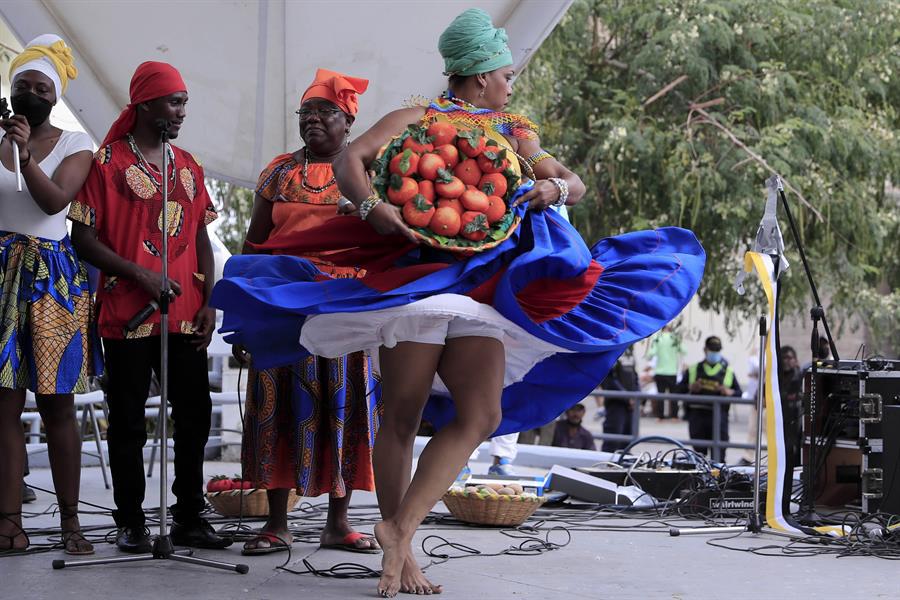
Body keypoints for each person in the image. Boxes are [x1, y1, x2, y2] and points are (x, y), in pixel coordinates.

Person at [211, 9, 705, 596]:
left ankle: (399, 529)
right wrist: (373, 208)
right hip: (420, 284)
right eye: (506, 74)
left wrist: (551, 187)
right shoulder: (416, 120)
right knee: (401, 415)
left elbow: (571, 182)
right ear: (479, 75)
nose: (511, 84)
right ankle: (402, 552)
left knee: (482, 415)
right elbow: (350, 161)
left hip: (487, 293)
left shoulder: (514, 131)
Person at [69, 61, 229, 553]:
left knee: (195, 414)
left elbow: (201, 236)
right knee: (128, 421)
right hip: (127, 313)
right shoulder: (106, 162)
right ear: (144, 104)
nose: (182, 112)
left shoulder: (189, 166)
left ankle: (189, 516)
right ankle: (132, 521)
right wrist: (140, 274)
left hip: (186, 311)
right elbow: (83, 238)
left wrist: (211, 300)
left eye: (184, 103)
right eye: (174, 102)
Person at [235, 69, 381, 556]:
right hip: (282, 305)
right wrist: (246, 314)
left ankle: (338, 523)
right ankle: (277, 522)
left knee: (344, 406)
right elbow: (254, 244)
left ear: (349, 121)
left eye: (326, 111)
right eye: (307, 112)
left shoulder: (370, 172)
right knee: (278, 407)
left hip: (345, 305)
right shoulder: (279, 172)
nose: (313, 119)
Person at [0, 34, 98, 555]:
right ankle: (9, 525)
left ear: (56, 95)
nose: (31, 95)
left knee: (57, 405)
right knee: (3, 406)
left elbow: (54, 201)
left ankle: (71, 524)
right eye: (24, 86)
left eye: (42, 88)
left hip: (50, 280)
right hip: (1, 275)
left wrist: (24, 155)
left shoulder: (76, 144)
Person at [677, 336, 741, 458]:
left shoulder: (728, 371)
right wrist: (691, 387)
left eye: (717, 350)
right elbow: (678, 390)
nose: (714, 353)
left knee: (718, 457)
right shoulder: (694, 369)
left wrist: (728, 392)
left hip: (719, 417)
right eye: (712, 350)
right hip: (697, 417)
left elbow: (739, 393)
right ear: (705, 350)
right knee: (699, 457)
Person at [600, 351, 639, 452]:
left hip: (630, 405)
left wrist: (636, 397)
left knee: (627, 442)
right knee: (613, 441)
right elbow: (609, 380)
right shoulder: (612, 351)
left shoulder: (629, 352)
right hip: (615, 403)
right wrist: (627, 398)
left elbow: (635, 376)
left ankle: (624, 459)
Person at [646, 324, 685, 419]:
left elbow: (651, 353)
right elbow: (684, 350)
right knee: (673, 396)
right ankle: (674, 416)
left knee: (660, 395)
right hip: (672, 372)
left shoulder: (657, 338)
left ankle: (660, 417)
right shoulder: (675, 338)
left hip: (659, 372)